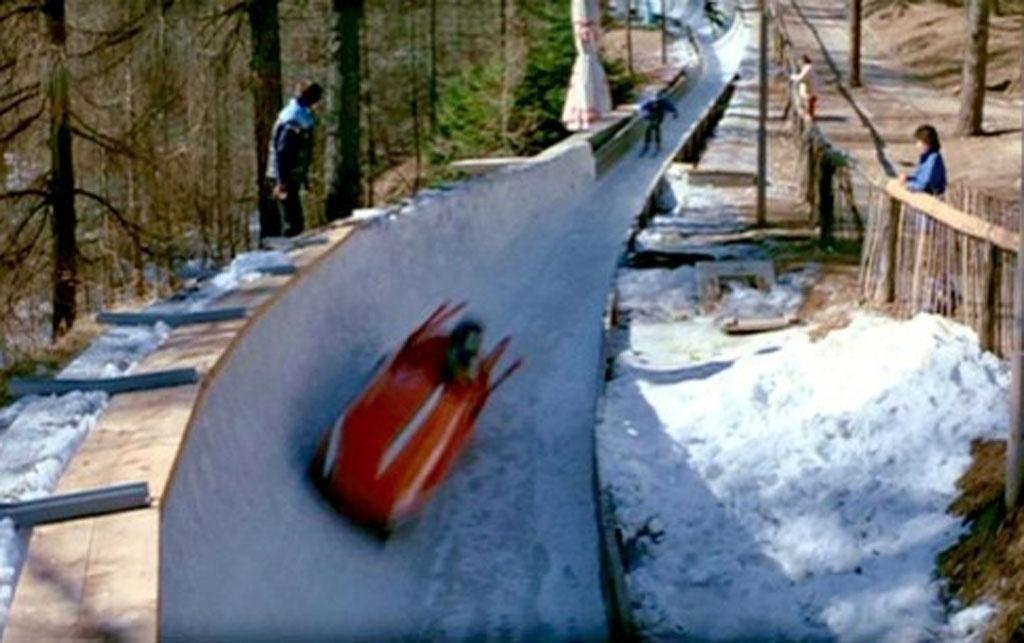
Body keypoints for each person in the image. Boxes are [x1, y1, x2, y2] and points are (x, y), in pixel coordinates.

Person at [265, 81, 323, 239]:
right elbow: (283, 151)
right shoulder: (295, 119)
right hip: (283, 176)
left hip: (288, 175)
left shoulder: (298, 114)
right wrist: (281, 182)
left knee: (295, 220)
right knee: (292, 223)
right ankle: (290, 255)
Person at [899, 124, 947, 196]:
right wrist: (908, 178)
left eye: (919, 142)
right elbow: (919, 178)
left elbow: (924, 184)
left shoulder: (934, 159)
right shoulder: (925, 157)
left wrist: (908, 184)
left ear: (927, 142)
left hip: (932, 195)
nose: (917, 145)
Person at [639, 89, 679, 157]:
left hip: (660, 116)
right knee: (649, 129)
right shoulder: (650, 102)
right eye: (654, 101)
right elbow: (642, 108)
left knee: (655, 127)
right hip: (651, 115)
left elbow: (671, 107)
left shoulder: (663, 101)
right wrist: (644, 115)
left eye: (656, 101)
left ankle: (657, 144)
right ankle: (647, 143)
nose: (655, 102)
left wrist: (675, 113)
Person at [790, 55, 820, 121]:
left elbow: (801, 78)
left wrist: (792, 77)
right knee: (810, 103)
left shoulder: (807, 68)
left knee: (809, 103)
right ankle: (809, 116)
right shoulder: (809, 68)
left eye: (800, 62)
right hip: (812, 88)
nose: (799, 63)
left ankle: (809, 117)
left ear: (803, 61)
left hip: (810, 90)